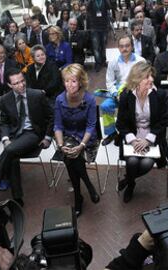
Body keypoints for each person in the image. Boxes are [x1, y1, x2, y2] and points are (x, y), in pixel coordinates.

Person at [0, 68, 53, 207]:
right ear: (9, 85)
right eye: (16, 83)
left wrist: (48, 137)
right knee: (11, 157)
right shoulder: (5, 100)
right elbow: (4, 122)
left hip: (32, 134)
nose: (21, 85)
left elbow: (51, 116)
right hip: (14, 136)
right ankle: (17, 197)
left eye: (22, 81)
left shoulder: (37, 95)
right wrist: (5, 139)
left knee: (9, 150)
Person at [115, 62, 168, 203]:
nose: (151, 79)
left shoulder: (159, 95)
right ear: (136, 79)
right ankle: (131, 185)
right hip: (133, 137)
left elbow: (163, 122)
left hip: (151, 137)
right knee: (132, 161)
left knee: (146, 164)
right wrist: (133, 140)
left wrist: (148, 140)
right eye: (147, 77)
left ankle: (127, 179)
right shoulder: (126, 96)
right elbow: (120, 123)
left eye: (151, 76)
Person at [54, 64, 100, 216]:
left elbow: (91, 125)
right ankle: (87, 187)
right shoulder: (59, 100)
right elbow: (58, 126)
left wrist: (81, 145)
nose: (69, 85)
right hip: (68, 137)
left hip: (87, 139)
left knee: (73, 159)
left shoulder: (90, 99)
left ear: (80, 82)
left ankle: (78, 197)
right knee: (70, 156)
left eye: (73, 81)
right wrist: (60, 145)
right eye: (67, 81)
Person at [101, 35, 145, 146]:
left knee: (128, 108)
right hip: (118, 92)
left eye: (127, 46)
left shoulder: (140, 61)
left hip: (135, 91)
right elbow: (109, 82)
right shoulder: (113, 62)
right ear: (118, 48)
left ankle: (128, 132)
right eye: (121, 46)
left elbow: (144, 80)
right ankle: (111, 133)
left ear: (132, 46)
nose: (124, 49)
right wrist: (116, 94)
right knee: (105, 106)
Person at [87, 0, 111, 72]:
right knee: (96, 47)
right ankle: (98, 63)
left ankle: (103, 61)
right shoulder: (91, 2)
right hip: (94, 27)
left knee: (103, 45)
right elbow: (88, 9)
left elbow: (109, 7)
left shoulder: (104, 1)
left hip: (103, 27)